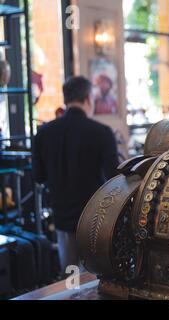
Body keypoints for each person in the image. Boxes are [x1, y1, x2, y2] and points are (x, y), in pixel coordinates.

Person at [32, 76, 119, 274]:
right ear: (88, 97)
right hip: (94, 221)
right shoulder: (102, 132)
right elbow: (114, 177)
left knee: (71, 279)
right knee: (94, 278)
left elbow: (38, 176)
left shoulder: (44, 133)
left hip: (62, 219)